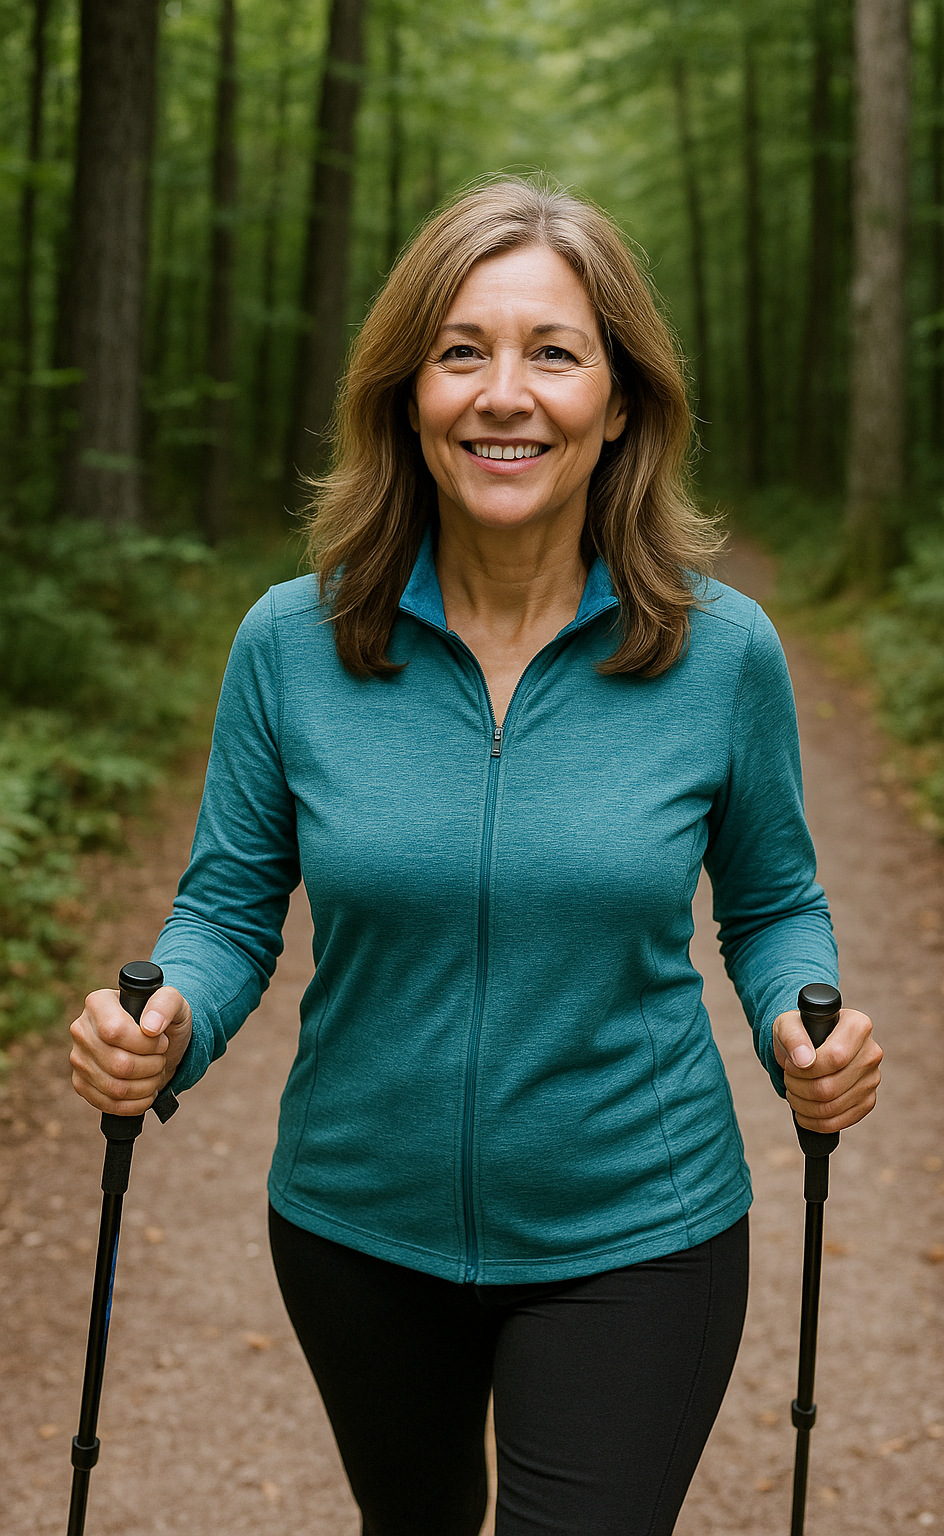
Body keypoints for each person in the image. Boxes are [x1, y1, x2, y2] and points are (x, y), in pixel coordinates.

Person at [69, 177, 882, 1536]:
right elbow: (227, 907)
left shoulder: (721, 651)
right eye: (461, 353)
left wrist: (807, 1028)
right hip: (354, 1225)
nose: (505, 395)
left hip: (641, 1227)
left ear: (620, 403)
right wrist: (170, 1023)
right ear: (407, 396)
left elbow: (773, 903)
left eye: (554, 353)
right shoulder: (290, 644)